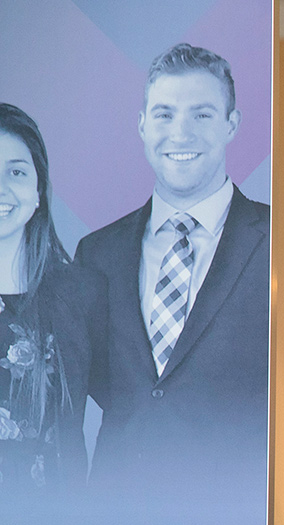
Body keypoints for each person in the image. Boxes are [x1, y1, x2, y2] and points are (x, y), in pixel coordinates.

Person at [74, 43, 269, 489]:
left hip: (235, 517)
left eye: (201, 115)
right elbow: (99, 384)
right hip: (116, 513)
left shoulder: (275, 240)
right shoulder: (96, 253)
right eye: (164, 115)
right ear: (142, 126)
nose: (180, 134)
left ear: (231, 125)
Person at [0, 104, 98, 491]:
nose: (2, 186)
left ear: (38, 191)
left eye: (17, 171)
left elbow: (129, 404)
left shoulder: (83, 294)